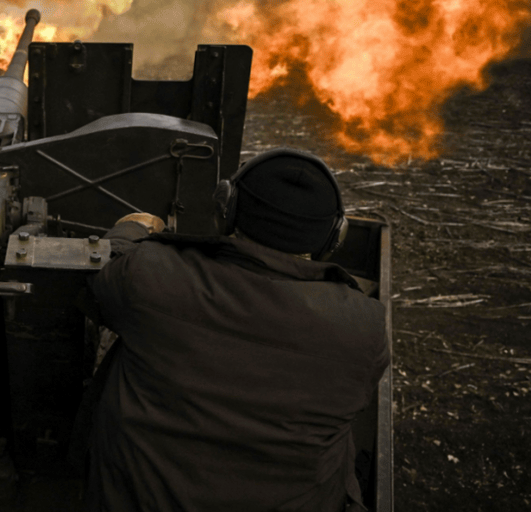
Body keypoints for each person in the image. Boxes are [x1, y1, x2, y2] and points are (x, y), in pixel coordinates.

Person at [86, 147, 389, 512]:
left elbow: (99, 285)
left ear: (226, 209)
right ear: (333, 238)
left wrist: (133, 227)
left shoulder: (151, 274)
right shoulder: (364, 326)